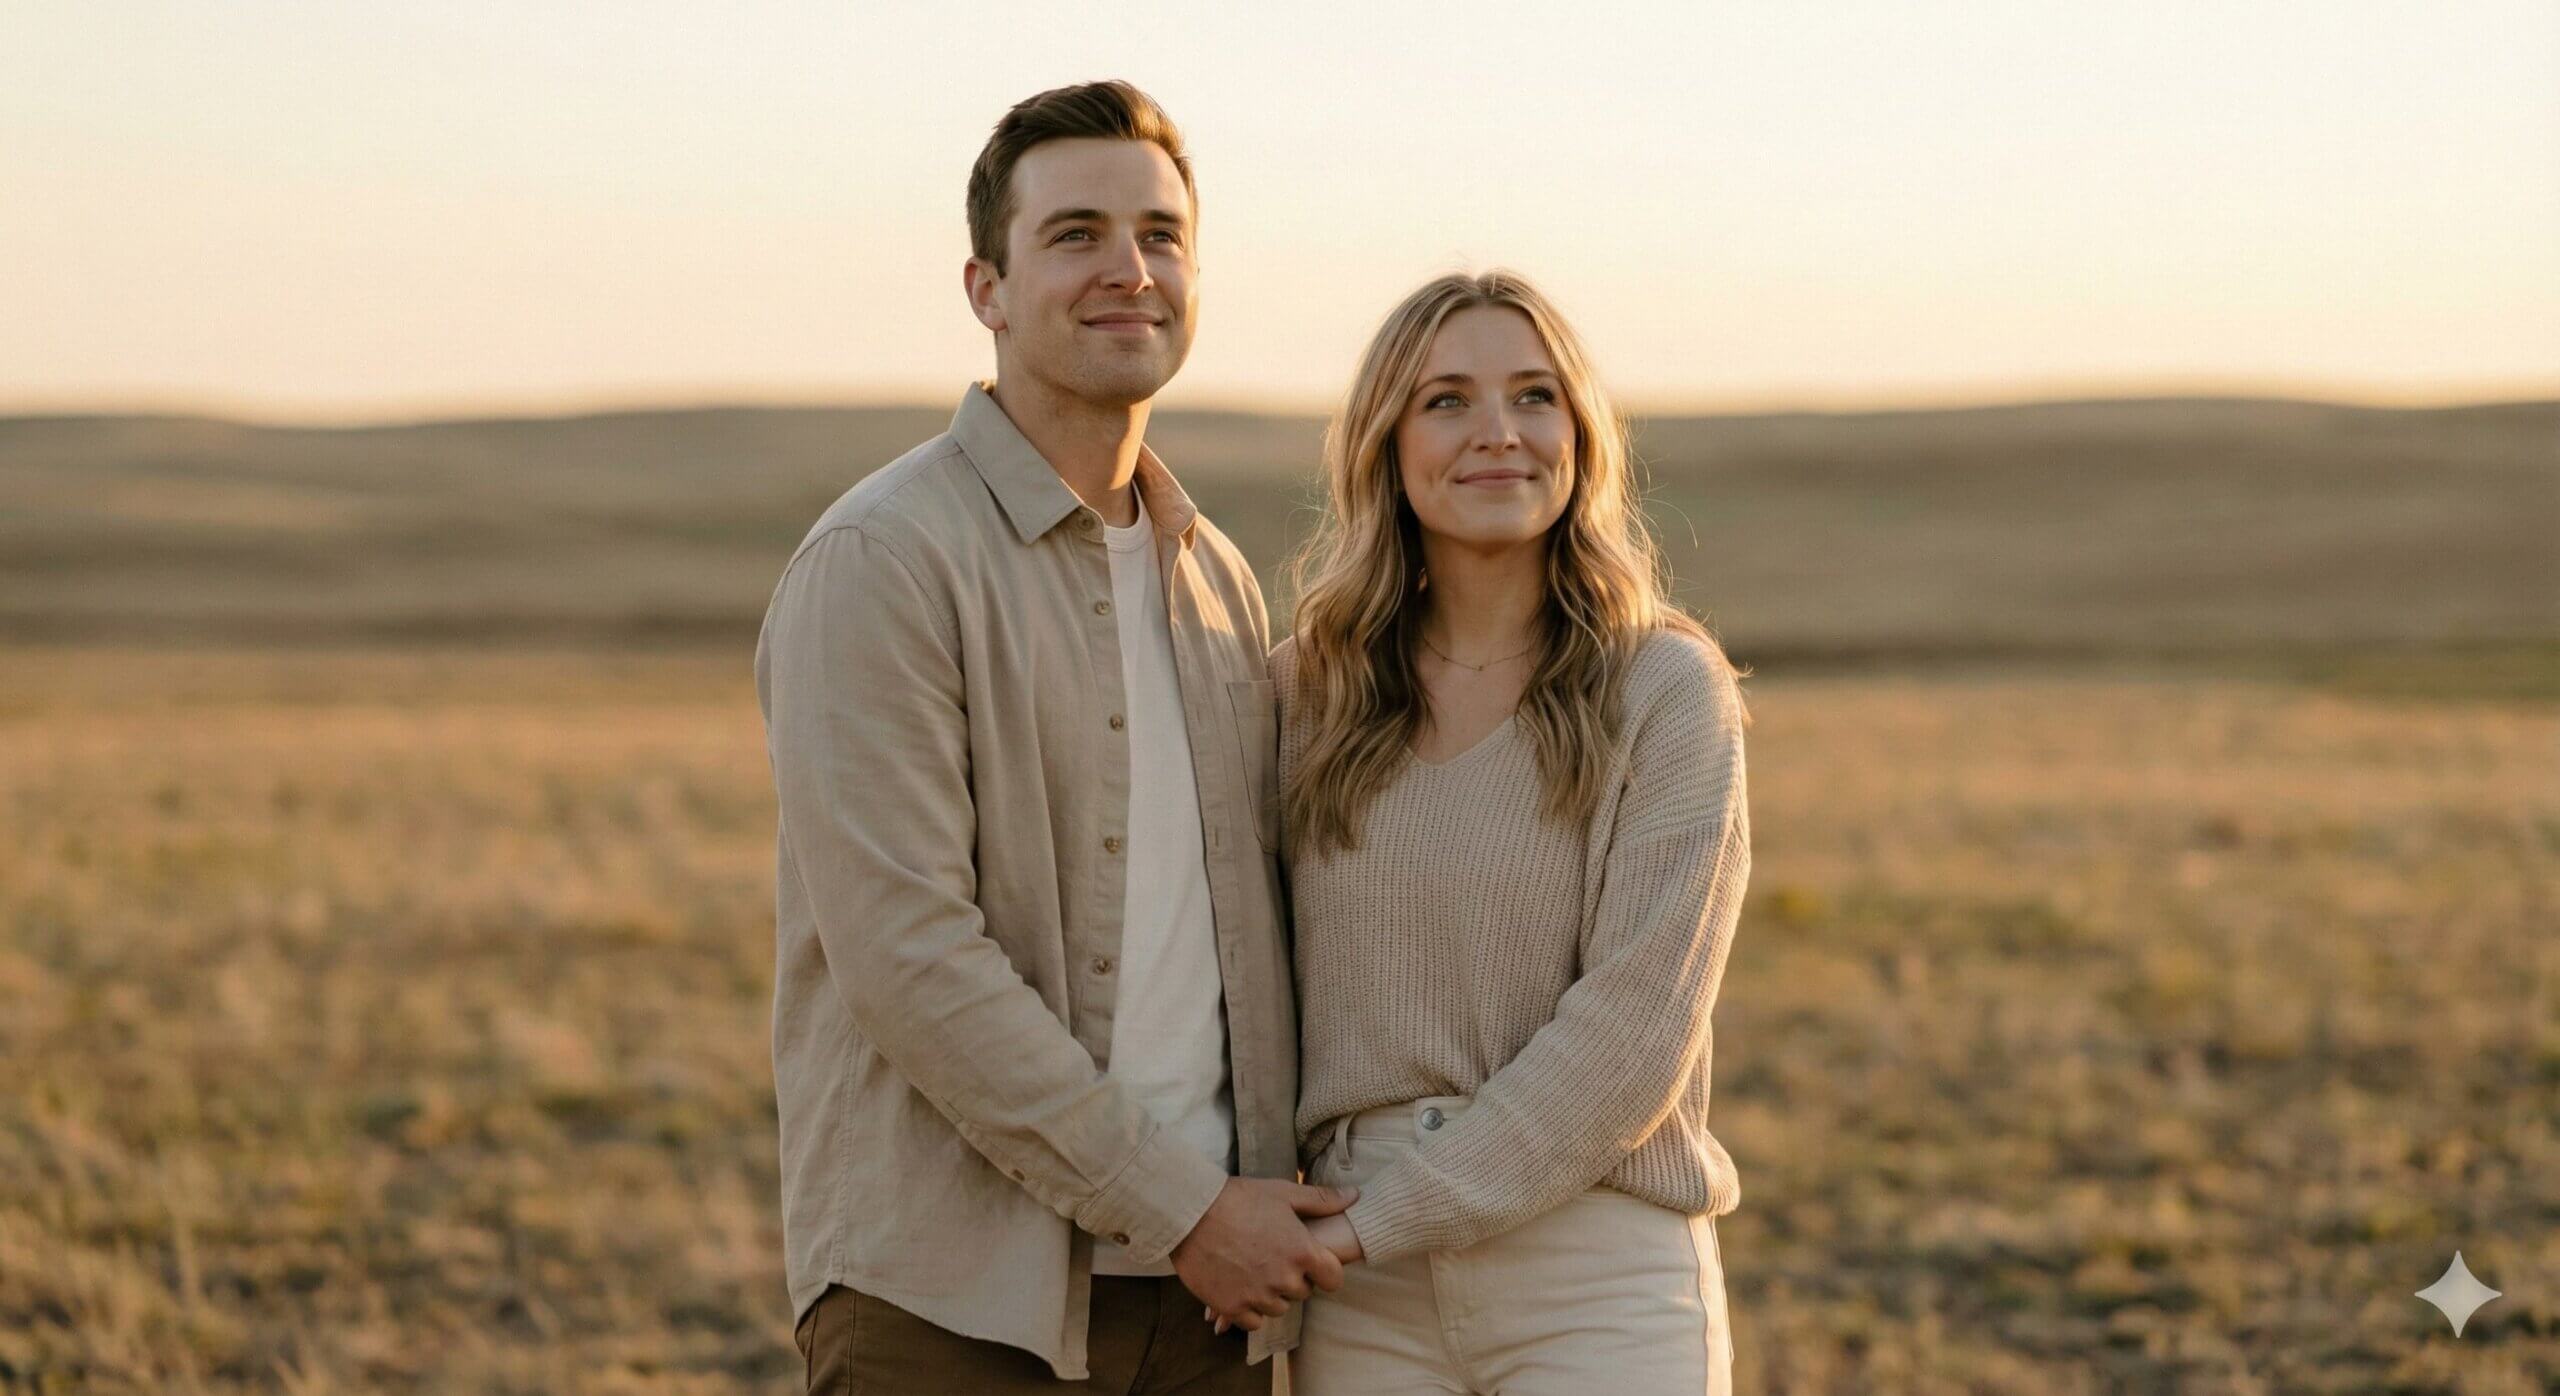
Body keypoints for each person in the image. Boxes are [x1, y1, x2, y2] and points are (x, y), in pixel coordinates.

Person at [755, 80, 1350, 1394]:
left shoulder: (1218, 582)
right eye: (1075, 234)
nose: (1128, 270)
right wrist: (1183, 1209)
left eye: (1162, 236)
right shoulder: (885, 558)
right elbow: (909, 954)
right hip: (956, 1301)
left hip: (1205, 1315)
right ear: (987, 287)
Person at [1272, 270, 1752, 1394]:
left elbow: (1635, 1030)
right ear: (1384, 445)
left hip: (1595, 1268)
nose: (1498, 433)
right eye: (1445, 401)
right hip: (1358, 1295)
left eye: (1534, 396)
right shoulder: (1302, 696)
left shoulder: (1665, 690)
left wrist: (1371, 1225)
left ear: (1581, 436)